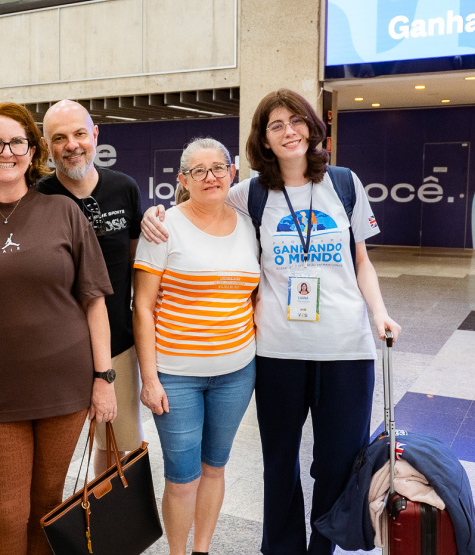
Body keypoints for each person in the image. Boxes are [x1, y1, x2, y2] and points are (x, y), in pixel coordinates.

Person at [141, 89, 401, 555]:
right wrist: (153, 214)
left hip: (345, 348)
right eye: (275, 125)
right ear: (263, 138)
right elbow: (199, 204)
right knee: (279, 463)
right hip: (277, 351)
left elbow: (362, 261)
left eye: (296, 121)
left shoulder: (345, 184)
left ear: (313, 127)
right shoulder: (249, 193)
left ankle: (321, 547)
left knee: (337, 462)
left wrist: (379, 312)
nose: (288, 132)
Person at [0, 102, 116, 555]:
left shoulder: (64, 213)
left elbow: (94, 301)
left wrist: (104, 380)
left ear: (32, 152)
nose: (6, 152)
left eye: (18, 143)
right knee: (6, 512)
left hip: (64, 387)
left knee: (47, 506)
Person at [133, 137, 259, 555]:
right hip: (176, 375)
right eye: (198, 171)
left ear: (232, 172)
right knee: (182, 476)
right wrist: (149, 379)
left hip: (237, 372)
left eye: (218, 168)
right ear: (183, 179)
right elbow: (144, 307)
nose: (210, 177)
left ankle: (201, 550)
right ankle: (177, 552)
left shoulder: (248, 225)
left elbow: (253, 295)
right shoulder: (163, 225)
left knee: (215, 467)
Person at [37, 99, 144, 475]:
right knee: (52, 456)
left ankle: (98, 530)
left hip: (116, 343)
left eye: (80, 133)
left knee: (116, 445)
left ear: (95, 135)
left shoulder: (125, 189)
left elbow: (137, 263)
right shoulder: (38, 197)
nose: (72, 144)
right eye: (60, 137)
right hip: (58, 350)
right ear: (47, 146)